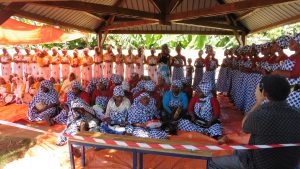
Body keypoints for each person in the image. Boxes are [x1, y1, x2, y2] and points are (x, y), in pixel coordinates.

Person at [208, 75, 300, 169]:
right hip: (291, 164)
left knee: (212, 162)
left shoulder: (261, 113)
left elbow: (245, 126)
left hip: (259, 164)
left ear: (263, 92)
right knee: (240, 149)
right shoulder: (297, 113)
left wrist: (258, 101)